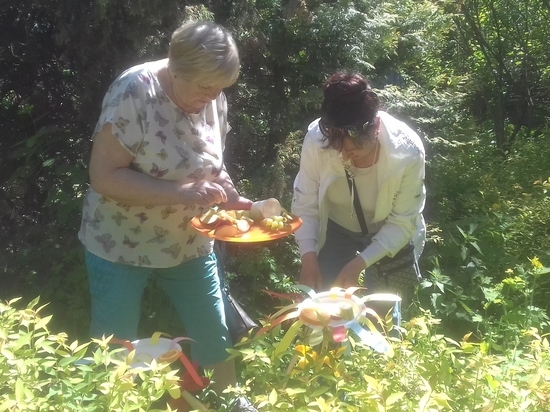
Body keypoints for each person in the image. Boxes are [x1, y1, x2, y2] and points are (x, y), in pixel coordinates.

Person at [78, 20, 257, 411]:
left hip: (189, 240)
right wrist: (180, 193)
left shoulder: (211, 92)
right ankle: (114, 404)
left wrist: (227, 193)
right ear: (175, 69)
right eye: (205, 88)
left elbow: (211, 162)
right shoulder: (134, 91)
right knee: (115, 342)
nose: (212, 98)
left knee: (213, 328)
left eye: (219, 89)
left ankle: (230, 401)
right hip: (120, 242)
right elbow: (103, 176)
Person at [291, 71, 426, 305]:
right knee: (324, 303)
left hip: (386, 227)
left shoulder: (408, 151)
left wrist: (358, 265)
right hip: (336, 226)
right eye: (337, 147)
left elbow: (402, 221)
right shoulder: (316, 139)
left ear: (374, 130)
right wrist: (309, 259)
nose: (343, 155)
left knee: (383, 309)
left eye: (352, 150)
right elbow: (306, 204)